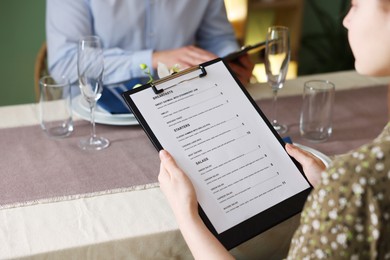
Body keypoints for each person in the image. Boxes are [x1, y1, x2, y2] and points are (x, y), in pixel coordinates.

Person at [158, 0, 390, 258]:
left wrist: (187, 216)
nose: (345, 20)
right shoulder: (363, 174)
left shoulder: (359, 179)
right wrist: (333, 190)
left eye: (356, 5)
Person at [46, 0, 253, 86]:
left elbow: (217, 38)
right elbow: (64, 62)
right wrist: (152, 59)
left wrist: (229, 63)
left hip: (185, 104)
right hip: (96, 116)